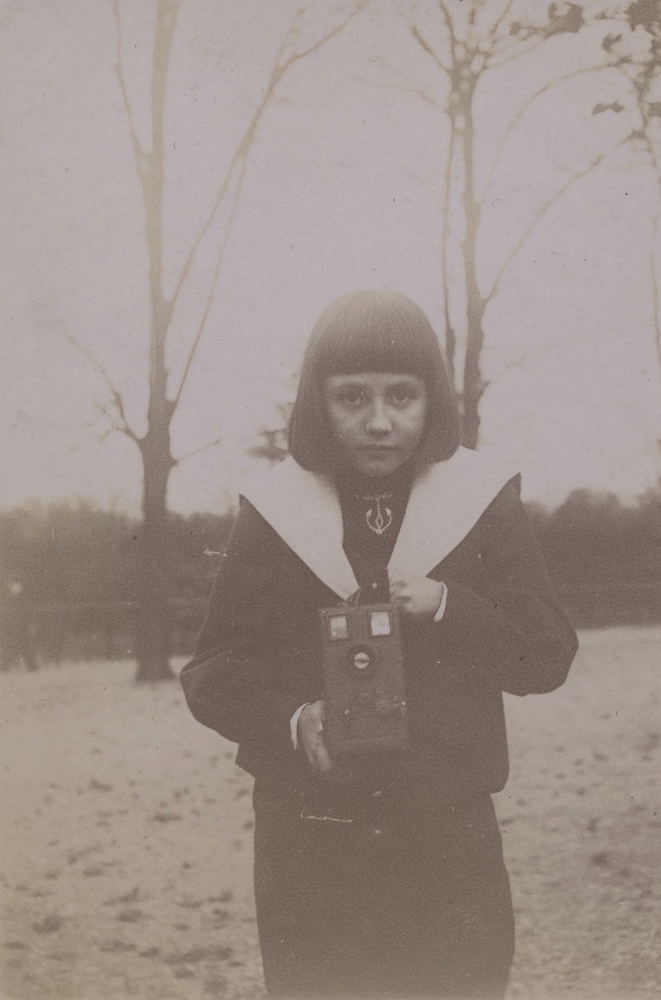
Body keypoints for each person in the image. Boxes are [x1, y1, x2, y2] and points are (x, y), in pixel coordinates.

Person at [180, 289, 578, 999]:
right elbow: (212, 668)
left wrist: (452, 605)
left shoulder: (481, 502)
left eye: (402, 396)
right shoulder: (275, 511)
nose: (378, 421)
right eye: (351, 398)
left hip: (446, 828)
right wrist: (293, 720)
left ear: (433, 402)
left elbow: (546, 653)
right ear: (317, 405)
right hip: (310, 832)